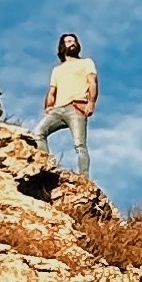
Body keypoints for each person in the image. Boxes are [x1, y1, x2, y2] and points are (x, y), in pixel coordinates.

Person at [37, 31, 98, 177]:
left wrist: (91, 102)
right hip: (58, 109)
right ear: (62, 46)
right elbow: (52, 91)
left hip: (76, 107)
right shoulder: (57, 70)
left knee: (80, 145)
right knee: (38, 133)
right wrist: (48, 107)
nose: (72, 43)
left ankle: (84, 178)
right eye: (69, 41)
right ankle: (45, 167)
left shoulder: (86, 62)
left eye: (74, 41)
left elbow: (92, 83)